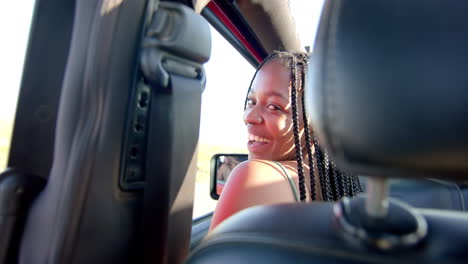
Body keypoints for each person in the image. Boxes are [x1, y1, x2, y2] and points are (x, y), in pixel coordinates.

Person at [209, 51, 362, 231]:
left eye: (274, 107)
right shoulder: (330, 186)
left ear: (316, 124)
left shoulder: (253, 177)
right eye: (251, 101)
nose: (249, 116)